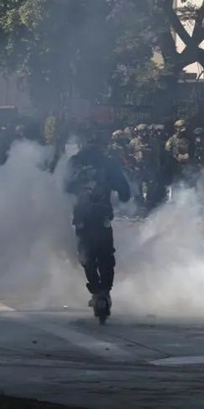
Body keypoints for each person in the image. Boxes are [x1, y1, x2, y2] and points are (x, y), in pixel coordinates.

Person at [66, 129, 131, 323]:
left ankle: (98, 291)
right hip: (100, 216)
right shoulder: (108, 162)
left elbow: (63, 187)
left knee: (88, 255)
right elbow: (124, 190)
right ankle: (102, 291)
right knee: (104, 255)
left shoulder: (75, 162)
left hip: (84, 216)